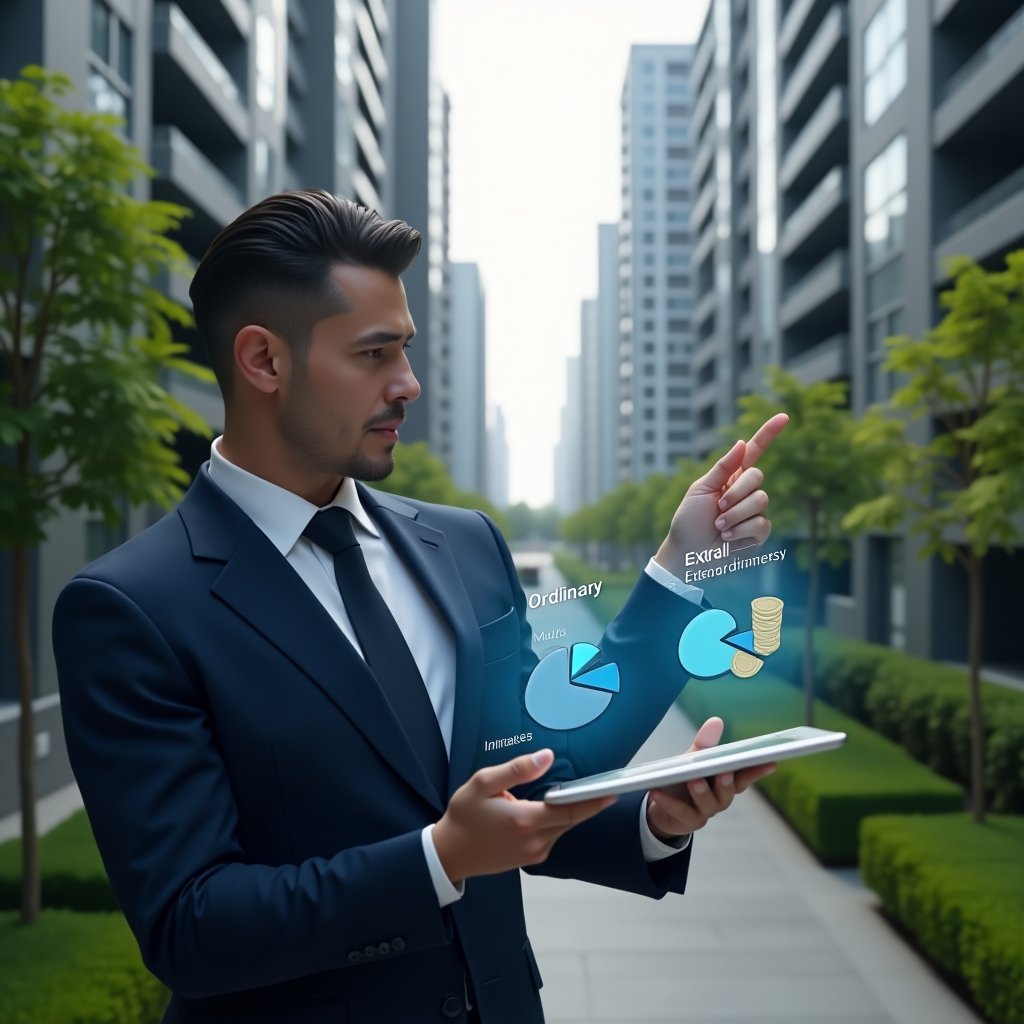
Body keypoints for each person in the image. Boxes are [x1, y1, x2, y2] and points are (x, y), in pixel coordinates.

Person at [53, 190, 787, 1024]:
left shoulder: (465, 545)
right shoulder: (131, 610)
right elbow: (191, 927)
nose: (409, 384)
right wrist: (439, 858)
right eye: (374, 354)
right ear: (263, 361)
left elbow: (543, 763)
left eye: (404, 349)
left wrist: (654, 809)